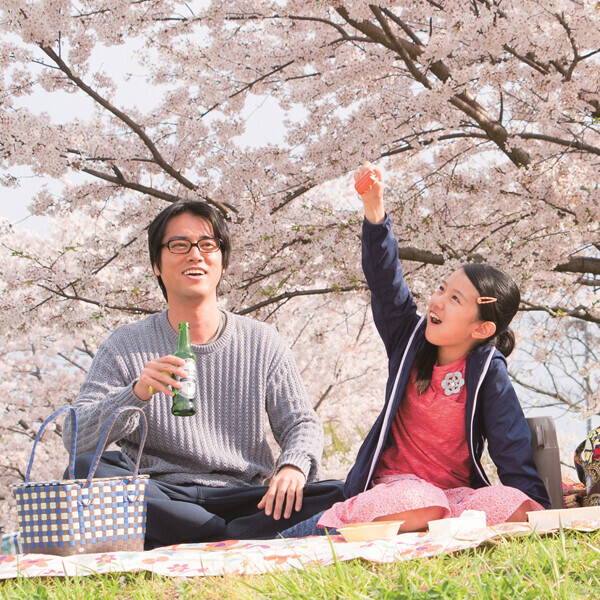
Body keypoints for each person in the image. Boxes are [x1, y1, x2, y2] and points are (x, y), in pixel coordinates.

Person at [282, 162, 549, 537]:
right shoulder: (408, 337)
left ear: (482, 327)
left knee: (515, 505)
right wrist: (375, 211)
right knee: (416, 502)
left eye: (454, 298)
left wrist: (539, 513)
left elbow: (511, 446)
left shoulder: (488, 370)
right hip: (399, 490)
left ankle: (439, 525)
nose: (437, 302)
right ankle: (317, 530)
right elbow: (386, 283)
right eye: (441, 289)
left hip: (456, 498)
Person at [63, 200, 344, 548]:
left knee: (346, 490)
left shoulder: (262, 341)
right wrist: (135, 393)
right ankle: (233, 537)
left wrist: (293, 468)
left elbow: (301, 423)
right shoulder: (125, 345)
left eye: (207, 245)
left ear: (222, 263)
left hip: (244, 498)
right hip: (161, 494)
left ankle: (204, 534)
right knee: (86, 471)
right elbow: (75, 438)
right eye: (179, 245)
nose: (195, 255)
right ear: (156, 265)